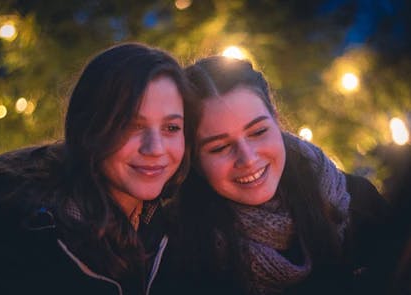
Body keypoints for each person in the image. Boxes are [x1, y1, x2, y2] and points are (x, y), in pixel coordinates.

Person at [0, 42, 194, 295]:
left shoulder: (171, 223)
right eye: (131, 125)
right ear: (90, 128)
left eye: (171, 128)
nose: (155, 149)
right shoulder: (22, 234)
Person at [164, 56, 396, 295]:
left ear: (276, 121)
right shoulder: (179, 255)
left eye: (258, 131)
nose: (248, 158)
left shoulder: (357, 201)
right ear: (194, 159)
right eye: (219, 147)